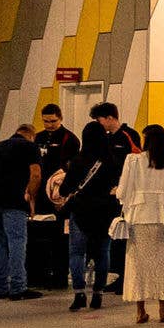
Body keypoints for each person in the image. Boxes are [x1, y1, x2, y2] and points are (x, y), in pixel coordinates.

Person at [58, 101, 136, 309]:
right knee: (103, 252)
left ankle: (79, 294)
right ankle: (98, 294)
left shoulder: (78, 160)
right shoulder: (111, 161)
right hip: (104, 212)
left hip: (81, 211)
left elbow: (64, 190)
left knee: (77, 252)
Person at [116, 122, 164, 323]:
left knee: (138, 265)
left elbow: (123, 190)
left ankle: (140, 311)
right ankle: (163, 310)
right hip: (163, 219)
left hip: (138, 218)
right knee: (162, 265)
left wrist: (121, 197)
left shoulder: (133, 160)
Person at [0, 122, 43, 301]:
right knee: (16, 241)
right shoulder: (30, 147)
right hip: (14, 200)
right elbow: (36, 174)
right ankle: (18, 287)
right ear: (32, 135)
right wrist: (31, 198)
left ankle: (1, 288)